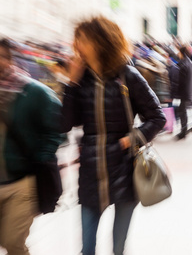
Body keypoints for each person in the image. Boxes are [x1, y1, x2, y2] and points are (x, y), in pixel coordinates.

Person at [60, 17, 166, 255]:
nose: (76, 46)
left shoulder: (127, 76)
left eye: (82, 40)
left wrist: (132, 139)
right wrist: (72, 83)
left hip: (125, 170)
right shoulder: (81, 80)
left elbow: (157, 118)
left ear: (101, 42)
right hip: (91, 173)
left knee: (118, 248)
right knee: (87, 248)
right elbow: (65, 124)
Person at [0, 38, 63, 254]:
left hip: (22, 182)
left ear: (9, 59)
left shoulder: (35, 92)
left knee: (13, 242)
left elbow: (57, 128)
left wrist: (42, 156)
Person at [173, 46, 192, 139]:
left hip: (184, 92)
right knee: (183, 111)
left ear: (181, 52)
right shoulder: (190, 63)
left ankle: (183, 131)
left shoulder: (183, 65)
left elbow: (181, 82)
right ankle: (185, 129)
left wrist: (176, 93)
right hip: (189, 91)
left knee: (182, 112)